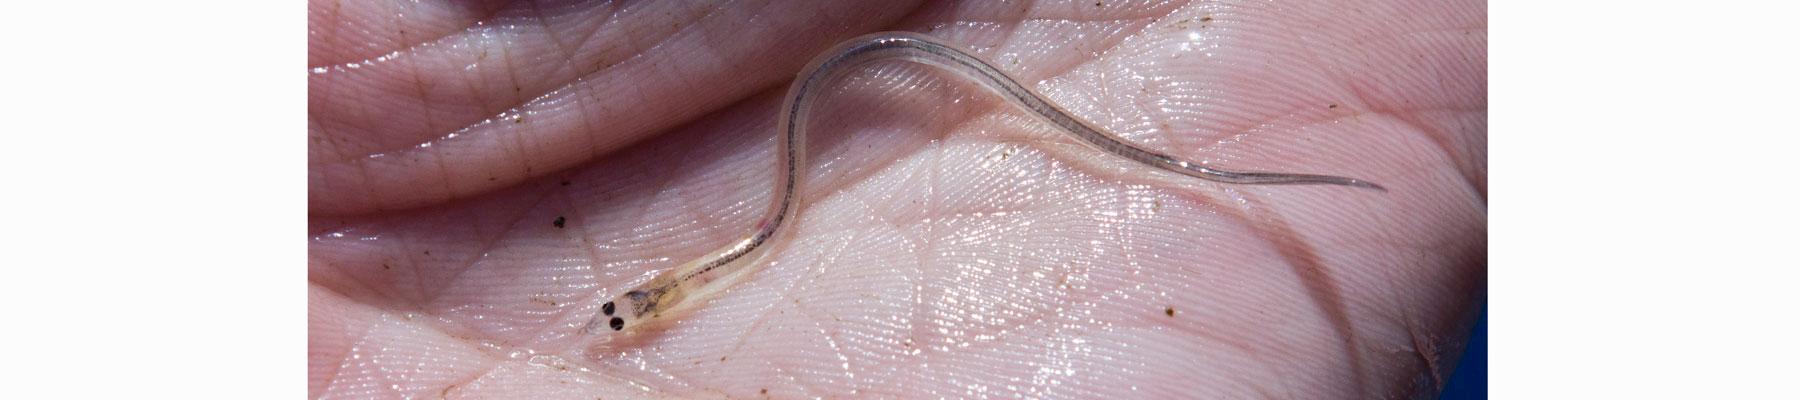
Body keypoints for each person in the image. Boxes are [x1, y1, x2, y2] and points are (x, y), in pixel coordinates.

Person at [308, 1, 1486, 398]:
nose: (627, 309)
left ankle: (1190, 168)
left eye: (626, 306)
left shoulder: (743, 235)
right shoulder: (741, 241)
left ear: (655, 294)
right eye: (630, 312)